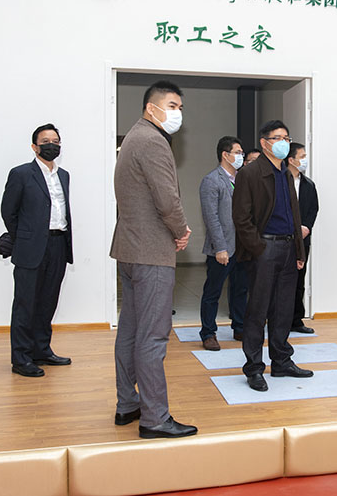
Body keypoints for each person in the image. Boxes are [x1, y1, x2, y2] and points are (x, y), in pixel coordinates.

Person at [110, 81, 197, 439]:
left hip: (130, 249)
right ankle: (155, 418)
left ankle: (127, 402)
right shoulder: (153, 141)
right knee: (153, 336)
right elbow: (167, 199)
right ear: (152, 108)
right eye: (172, 106)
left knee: (130, 331)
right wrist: (181, 230)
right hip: (151, 253)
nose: (178, 113)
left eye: (180, 107)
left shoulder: (133, 137)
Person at [232, 120, 312, 392]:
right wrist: (258, 248)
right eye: (277, 138)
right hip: (264, 248)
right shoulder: (250, 173)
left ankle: (281, 361)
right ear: (264, 143)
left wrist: (299, 250)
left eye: (286, 138)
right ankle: (254, 368)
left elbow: (294, 214)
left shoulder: (286, 173)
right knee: (258, 311)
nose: (283, 143)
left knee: (284, 309)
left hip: (288, 248)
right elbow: (241, 218)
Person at [1, 124, 73, 378]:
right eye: (45, 141)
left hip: (58, 244)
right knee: (25, 305)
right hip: (30, 248)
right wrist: (24, 238)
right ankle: (21, 358)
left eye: (55, 141)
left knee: (47, 302)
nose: (51, 145)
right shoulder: (21, 174)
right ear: (35, 147)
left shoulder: (64, 175)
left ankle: (41, 350)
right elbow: (8, 211)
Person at [198, 136, 249, 350]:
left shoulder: (243, 179)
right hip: (222, 248)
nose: (241, 156)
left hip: (242, 247)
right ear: (225, 155)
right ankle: (208, 333)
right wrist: (220, 247)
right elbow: (211, 218)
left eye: (242, 153)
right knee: (213, 291)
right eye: (238, 152)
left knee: (240, 289)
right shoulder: (212, 180)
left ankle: (239, 327)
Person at [286, 142, 319, 334]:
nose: (305, 160)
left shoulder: (308, 184)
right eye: (302, 156)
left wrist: (306, 227)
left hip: (303, 239)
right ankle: (277, 318)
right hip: (282, 238)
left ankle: (296, 320)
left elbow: (313, 208)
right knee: (279, 281)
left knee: (299, 280)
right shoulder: (279, 181)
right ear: (291, 160)